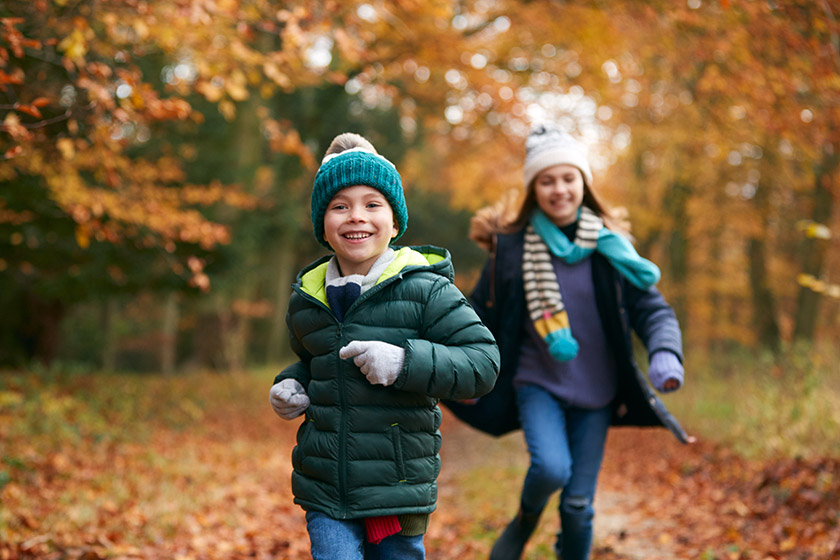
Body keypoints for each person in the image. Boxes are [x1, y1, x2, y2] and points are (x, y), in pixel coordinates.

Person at [269, 132, 500, 560]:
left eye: (372, 204)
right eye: (340, 206)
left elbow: (483, 364)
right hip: (327, 486)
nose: (356, 216)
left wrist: (402, 362)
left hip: (397, 486)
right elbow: (313, 362)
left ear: (395, 223)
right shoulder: (307, 298)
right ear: (323, 223)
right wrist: (291, 385)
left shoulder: (427, 290)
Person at [465, 124, 689, 560]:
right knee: (550, 468)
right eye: (546, 180)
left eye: (568, 178)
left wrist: (665, 352)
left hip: (597, 391)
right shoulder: (511, 250)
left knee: (578, 505)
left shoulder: (612, 247)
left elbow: (653, 310)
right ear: (534, 189)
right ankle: (527, 518)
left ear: (583, 183)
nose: (559, 189)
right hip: (537, 382)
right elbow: (475, 317)